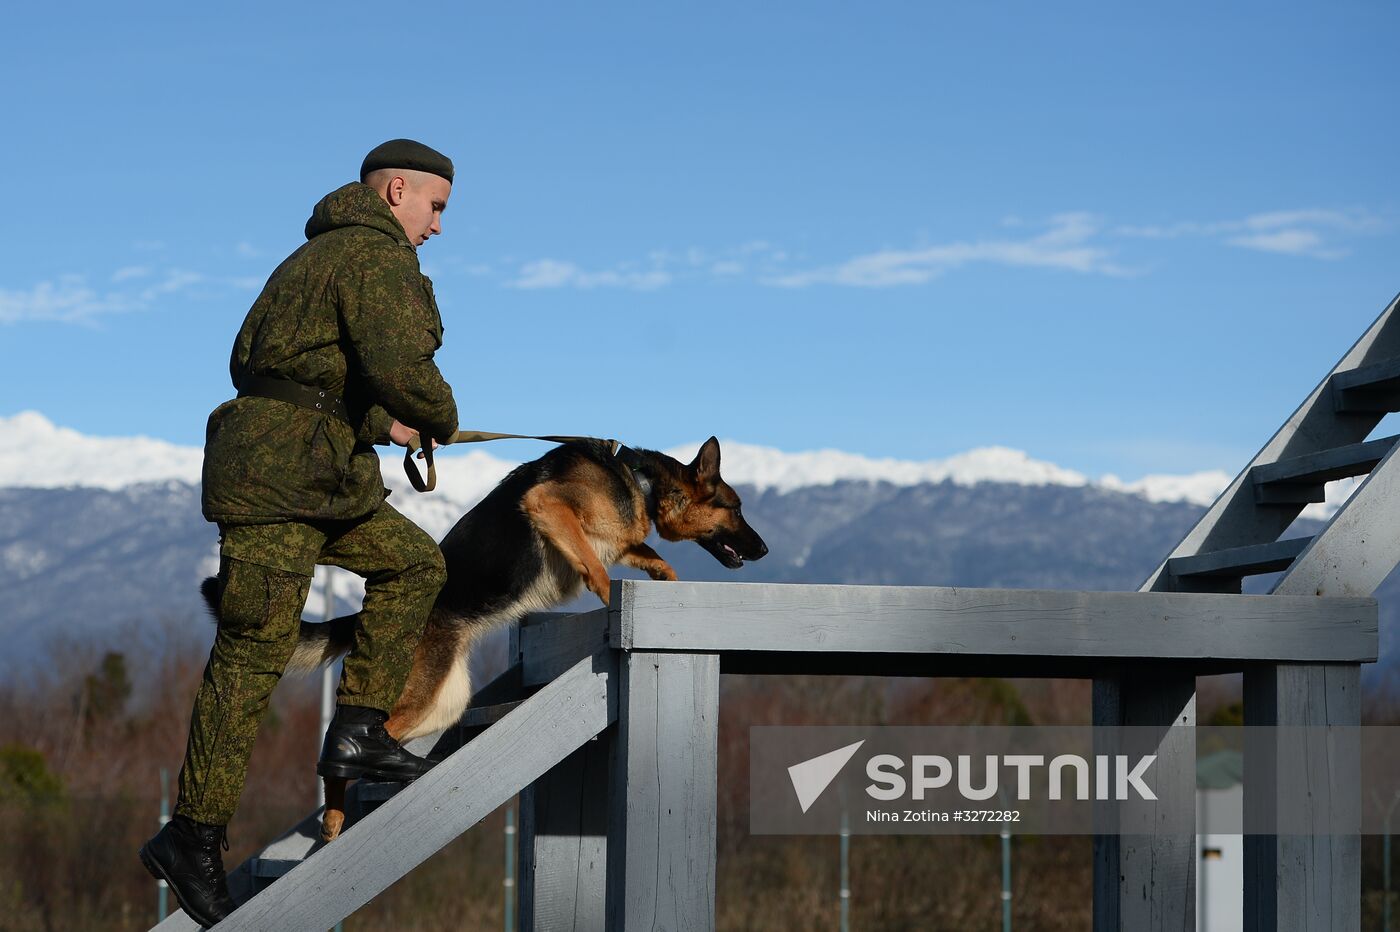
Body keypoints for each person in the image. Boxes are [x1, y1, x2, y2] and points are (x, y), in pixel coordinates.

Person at [139, 139, 461, 928]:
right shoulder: (371, 255)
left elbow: (298, 367)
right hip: (281, 476)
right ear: (396, 192)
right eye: (436, 207)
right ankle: (192, 837)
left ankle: (355, 730)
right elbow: (399, 361)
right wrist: (436, 415)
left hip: (313, 467)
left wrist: (380, 422)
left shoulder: (322, 257)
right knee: (253, 651)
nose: (439, 226)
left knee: (414, 564)